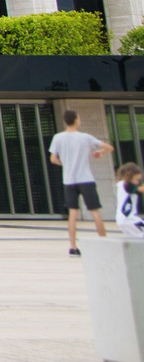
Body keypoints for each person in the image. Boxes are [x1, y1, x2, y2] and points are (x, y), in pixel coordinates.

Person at [48, 109, 113, 254]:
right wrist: (100, 153)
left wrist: (66, 164)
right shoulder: (85, 137)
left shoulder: (58, 138)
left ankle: (73, 246)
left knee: (73, 213)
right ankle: (104, 242)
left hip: (69, 180)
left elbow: (53, 159)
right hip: (86, 179)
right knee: (95, 211)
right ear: (76, 120)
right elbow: (109, 148)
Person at [115, 162, 144, 241]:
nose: (138, 183)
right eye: (137, 180)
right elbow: (141, 189)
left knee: (137, 239)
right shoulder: (126, 185)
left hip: (122, 220)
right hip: (128, 219)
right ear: (128, 177)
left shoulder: (121, 185)